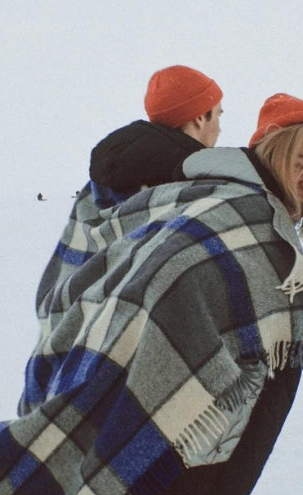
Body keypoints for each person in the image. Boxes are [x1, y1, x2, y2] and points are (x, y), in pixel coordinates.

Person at [0, 93, 303, 495]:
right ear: (273, 152)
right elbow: (164, 278)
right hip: (194, 441)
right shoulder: (242, 211)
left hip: (193, 421)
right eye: (300, 165)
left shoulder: (210, 193)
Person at [35, 64, 223, 314]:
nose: (220, 128)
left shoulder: (97, 187)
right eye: (218, 115)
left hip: (81, 336)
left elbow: (64, 279)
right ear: (200, 117)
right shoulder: (195, 192)